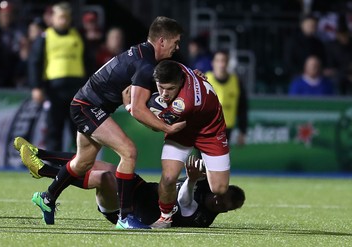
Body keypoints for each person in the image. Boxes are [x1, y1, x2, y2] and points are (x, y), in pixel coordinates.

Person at [30, 16, 186, 229]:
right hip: (88, 106)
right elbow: (138, 110)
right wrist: (167, 128)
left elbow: (134, 103)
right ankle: (125, 217)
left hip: (86, 104)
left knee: (83, 162)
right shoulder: (146, 64)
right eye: (175, 42)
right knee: (129, 152)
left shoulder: (143, 54)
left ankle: (47, 198)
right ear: (161, 41)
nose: (177, 47)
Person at [14, 137, 245, 227]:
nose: (218, 202)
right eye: (222, 198)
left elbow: (183, 202)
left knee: (103, 177)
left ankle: (45, 171)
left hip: (133, 211)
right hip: (142, 189)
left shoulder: (204, 218)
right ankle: (40, 154)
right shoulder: (207, 185)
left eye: (224, 207)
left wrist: (192, 181)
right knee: (101, 165)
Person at [140, 60, 231, 228]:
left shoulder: (184, 103)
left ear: (181, 81)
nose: (164, 94)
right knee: (168, 177)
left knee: (219, 188)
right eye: (161, 87)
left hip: (210, 131)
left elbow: (156, 126)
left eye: (170, 89)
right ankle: (166, 216)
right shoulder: (177, 67)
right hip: (183, 130)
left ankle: (196, 184)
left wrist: (132, 106)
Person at [27, 2, 86, 151]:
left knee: (79, 128)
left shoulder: (78, 36)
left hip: (76, 88)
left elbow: (88, 61)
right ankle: (55, 164)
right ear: (52, 18)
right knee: (54, 128)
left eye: (66, 17)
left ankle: (81, 163)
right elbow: (35, 62)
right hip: (54, 89)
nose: (63, 21)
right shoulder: (45, 37)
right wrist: (36, 87)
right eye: (60, 17)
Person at [205, 50, 248, 144]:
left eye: (224, 61)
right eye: (218, 61)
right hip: (206, 128)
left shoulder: (236, 82)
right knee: (202, 158)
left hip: (226, 129)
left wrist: (242, 131)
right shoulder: (205, 80)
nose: (221, 64)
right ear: (213, 63)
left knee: (222, 158)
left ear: (228, 63)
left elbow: (242, 108)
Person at [284, 14, 327, 80]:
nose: (311, 27)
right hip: (298, 75)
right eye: (308, 24)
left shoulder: (318, 43)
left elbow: (322, 60)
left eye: (313, 25)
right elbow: (288, 61)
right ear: (302, 25)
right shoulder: (292, 41)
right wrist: (303, 74)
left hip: (316, 76)